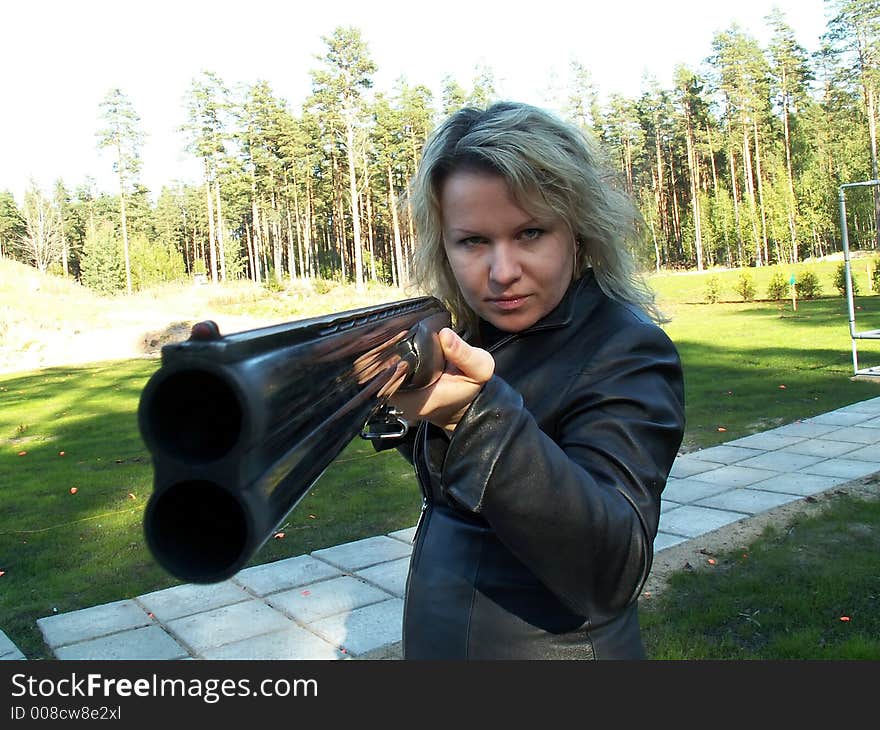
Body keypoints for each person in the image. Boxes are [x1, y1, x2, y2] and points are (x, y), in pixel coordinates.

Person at [382, 101, 686, 659]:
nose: (501, 272)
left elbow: (612, 567)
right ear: (443, 247)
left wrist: (472, 418)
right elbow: (464, 492)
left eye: (530, 233)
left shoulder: (626, 348)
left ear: (578, 232)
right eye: (472, 241)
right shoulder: (479, 334)